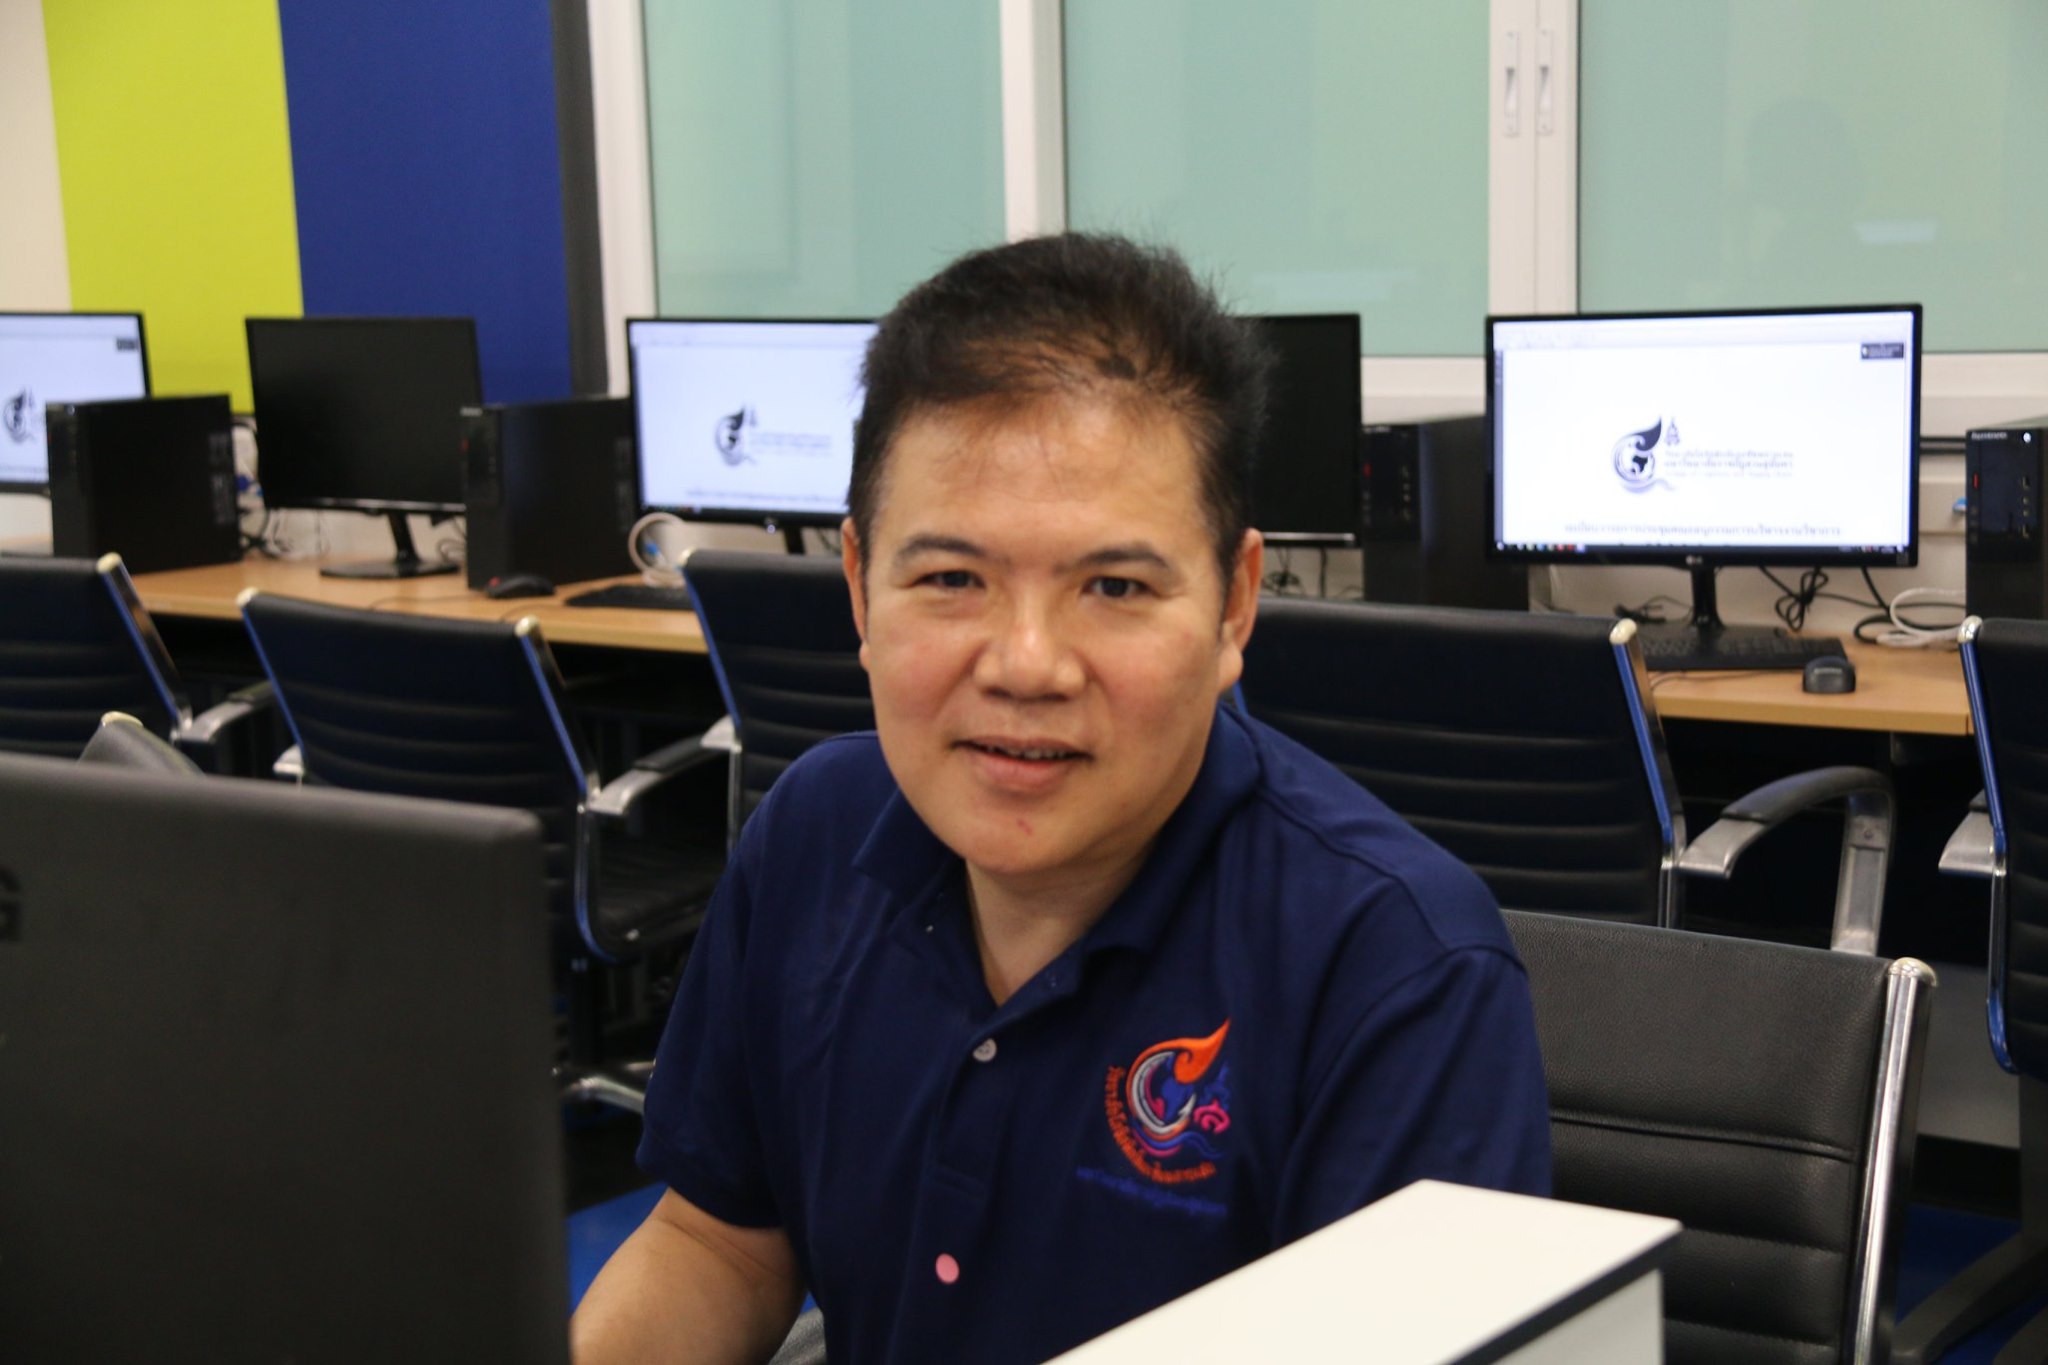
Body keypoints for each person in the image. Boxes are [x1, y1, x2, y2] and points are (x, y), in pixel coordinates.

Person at [572, 233, 1551, 1365]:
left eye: (1113, 586)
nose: (1026, 665)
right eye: (952, 578)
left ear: (1234, 606)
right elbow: (720, 1245)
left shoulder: (1398, 970)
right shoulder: (812, 833)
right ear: (859, 588)